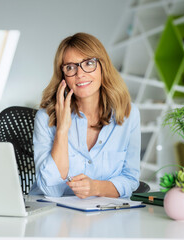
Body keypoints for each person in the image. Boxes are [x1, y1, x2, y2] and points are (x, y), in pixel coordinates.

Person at [29, 32, 140, 198]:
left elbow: (130, 179)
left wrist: (96, 188)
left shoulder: (128, 114)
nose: (80, 74)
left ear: (103, 66)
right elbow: (51, 190)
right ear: (63, 76)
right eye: (70, 67)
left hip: (106, 216)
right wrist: (62, 130)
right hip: (55, 215)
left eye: (88, 63)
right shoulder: (46, 118)